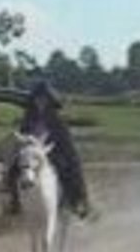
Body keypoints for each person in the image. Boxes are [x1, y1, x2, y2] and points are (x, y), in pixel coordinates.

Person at [8, 80, 90, 217]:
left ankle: (74, 202)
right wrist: (25, 142)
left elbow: (64, 140)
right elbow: (23, 134)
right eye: (38, 99)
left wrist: (51, 147)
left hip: (52, 151)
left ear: (49, 101)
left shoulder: (57, 120)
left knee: (68, 170)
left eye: (44, 99)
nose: (40, 102)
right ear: (33, 100)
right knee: (13, 170)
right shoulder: (28, 118)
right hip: (31, 152)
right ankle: (15, 201)